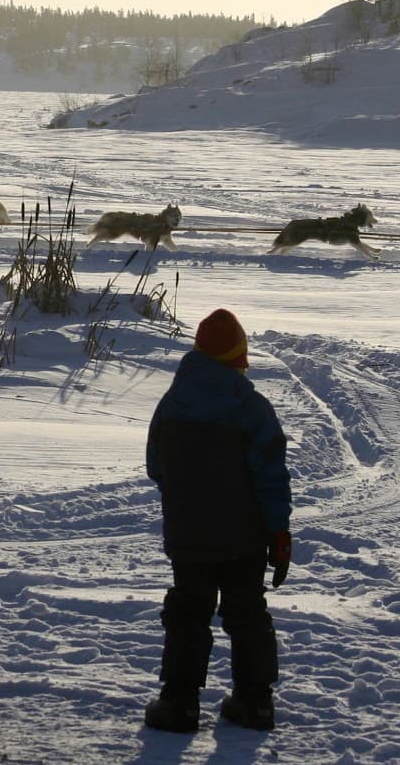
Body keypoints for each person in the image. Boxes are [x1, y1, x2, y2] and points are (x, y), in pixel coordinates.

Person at [144, 307, 292, 733]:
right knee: (247, 613)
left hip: (188, 534)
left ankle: (179, 704)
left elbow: (156, 467)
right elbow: (272, 477)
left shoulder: (171, 404)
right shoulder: (252, 407)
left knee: (188, 613)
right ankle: (255, 702)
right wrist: (279, 533)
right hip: (244, 537)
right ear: (238, 356)